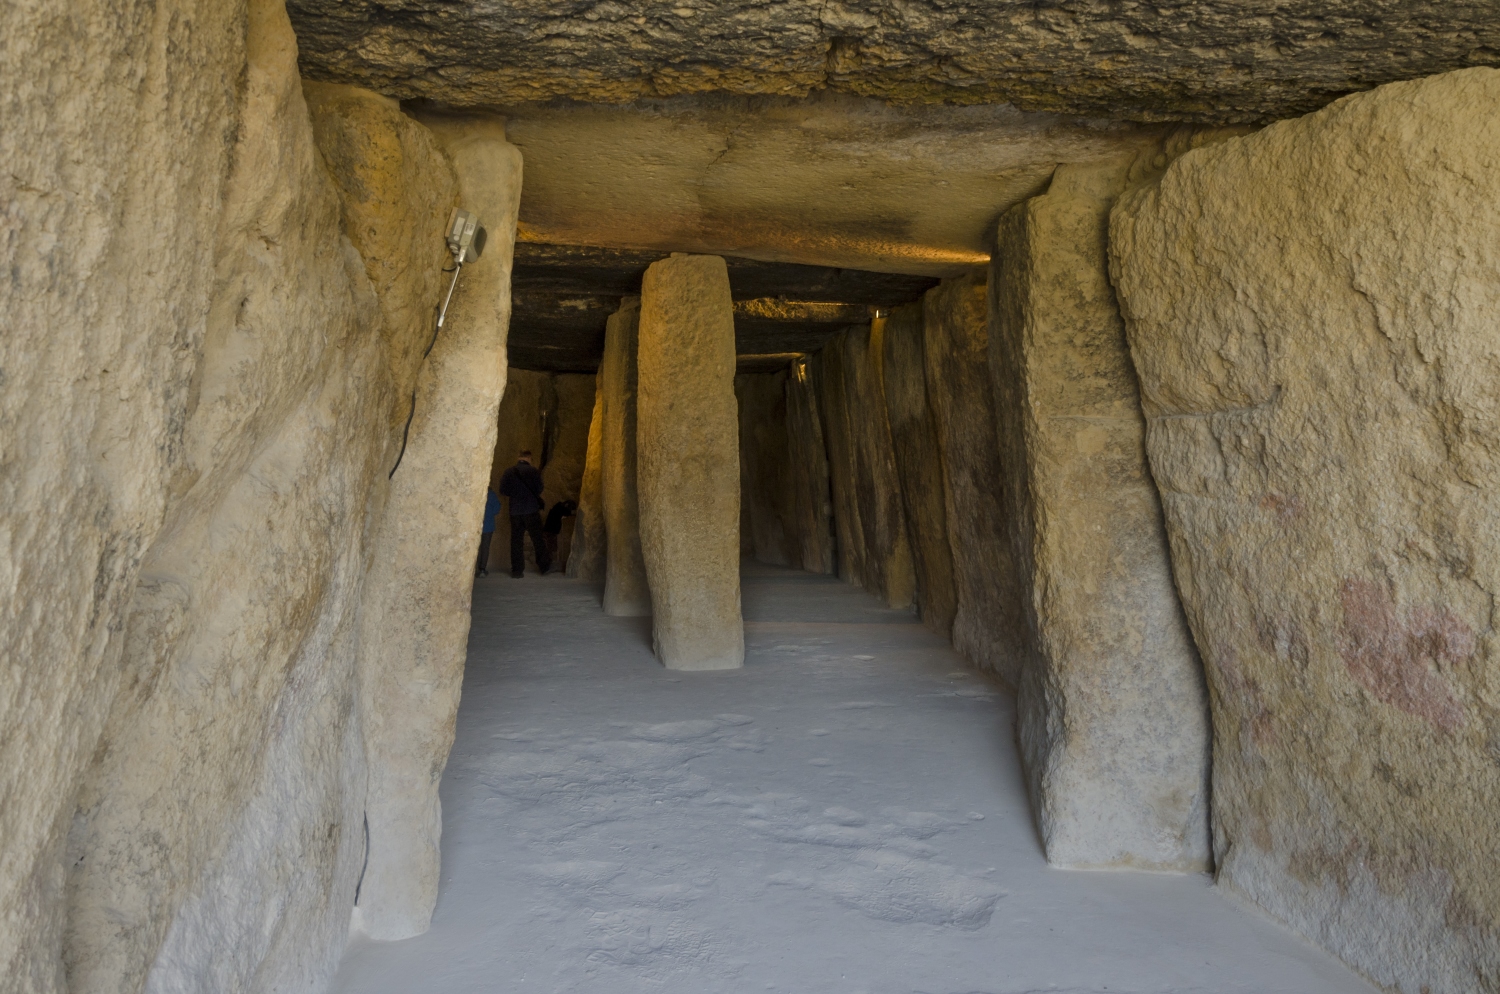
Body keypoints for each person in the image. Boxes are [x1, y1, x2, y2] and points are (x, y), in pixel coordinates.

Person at [498, 449, 551, 578]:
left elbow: (503, 490)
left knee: (516, 540)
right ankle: (544, 567)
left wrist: (515, 493)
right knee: (537, 539)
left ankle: (517, 570)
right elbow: (539, 489)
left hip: (515, 511)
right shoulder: (533, 471)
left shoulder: (509, 472)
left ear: (519, 457)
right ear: (529, 458)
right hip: (531, 509)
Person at [542, 499, 578, 567]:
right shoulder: (559, 508)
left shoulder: (557, 508)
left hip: (550, 532)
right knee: (549, 548)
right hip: (550, 532)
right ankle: (547, 565)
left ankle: (548, 564)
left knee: (550, 548)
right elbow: (567, 512)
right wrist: (574, 513)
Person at [477, 485, 501, 576]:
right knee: (485, 547)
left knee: (476, 547)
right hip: (488, 525)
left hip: (476, 526)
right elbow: (497, 508)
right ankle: (482, 569)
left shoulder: (477, 493)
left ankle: (473, 568)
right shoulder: (491, 494)